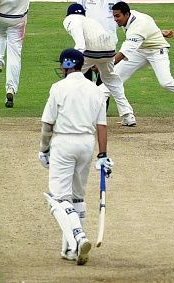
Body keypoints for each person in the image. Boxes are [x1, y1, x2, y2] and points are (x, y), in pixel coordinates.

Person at [38, 48, 114, 265]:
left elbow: (47, 124)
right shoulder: (96, 90)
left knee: (57, 198)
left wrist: (44, 149)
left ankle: (79, 237)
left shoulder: (58, 88)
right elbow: (102, 125)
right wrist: (103, 155)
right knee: (76, 197)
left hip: (64, 143)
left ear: (65, 66)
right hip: (86, 144)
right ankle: (70, 250)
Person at [110, 1, 174, 123]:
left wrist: (104, 66)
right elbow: (150, 26)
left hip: (157, 50)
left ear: (126, 14)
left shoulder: (138, 26)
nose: (115, 19)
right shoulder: (134, 16)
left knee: (166, 82)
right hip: (140, 49)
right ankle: (127, 115)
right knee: (114, 77)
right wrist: (160, 33)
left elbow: (124, 53)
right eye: (114, 16)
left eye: (118, 16)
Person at [63, 3, 136, 126]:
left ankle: (69, 115)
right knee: (113, 81)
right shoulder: (89, 20)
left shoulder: (70, 19)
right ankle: (128, 116)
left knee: (71, 80)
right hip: (108, 50)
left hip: (90, 51)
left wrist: (74, 64)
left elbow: (81, 44)